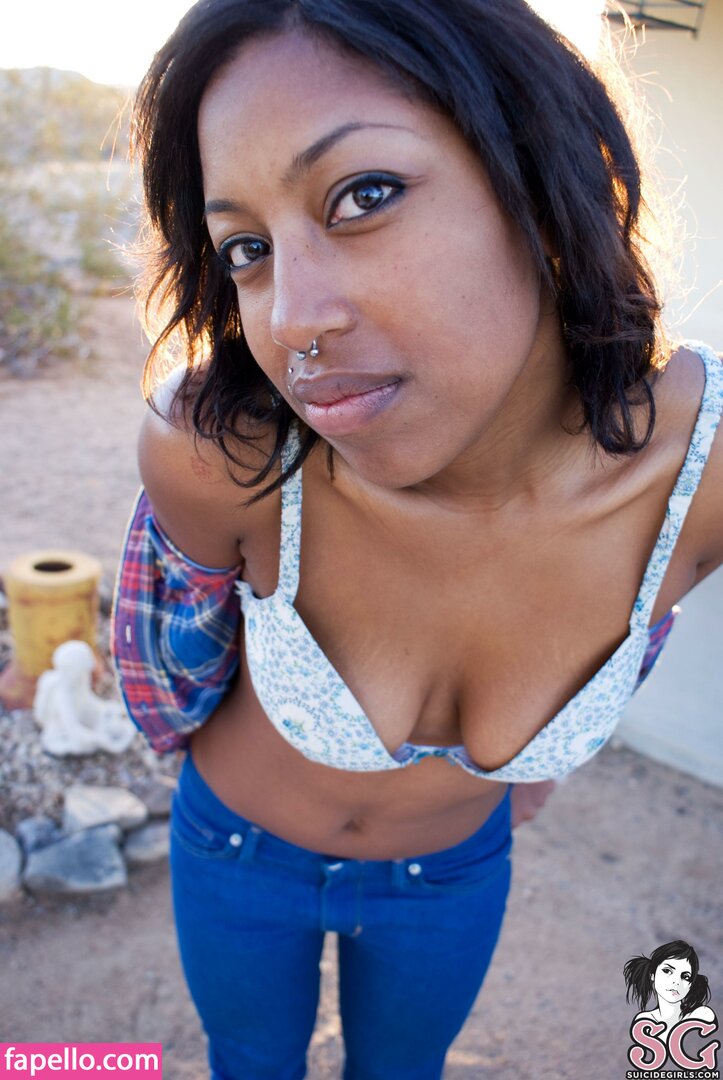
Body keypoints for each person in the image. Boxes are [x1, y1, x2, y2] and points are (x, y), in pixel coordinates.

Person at [110, 1, 723, 1076]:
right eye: (247, 248)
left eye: (364, 195)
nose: (291, 319)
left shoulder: (701, 474)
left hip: (451, 875)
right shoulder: (223, 450)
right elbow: (164, 675)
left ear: (544, 178)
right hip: (235, 851)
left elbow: (641, 630)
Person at [624, 941, 716, 1041]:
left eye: (685, 977)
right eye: (667, 971)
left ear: (691, 984)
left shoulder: (702, 1015)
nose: (676, 982)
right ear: (652, 974)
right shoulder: (644, 1021)